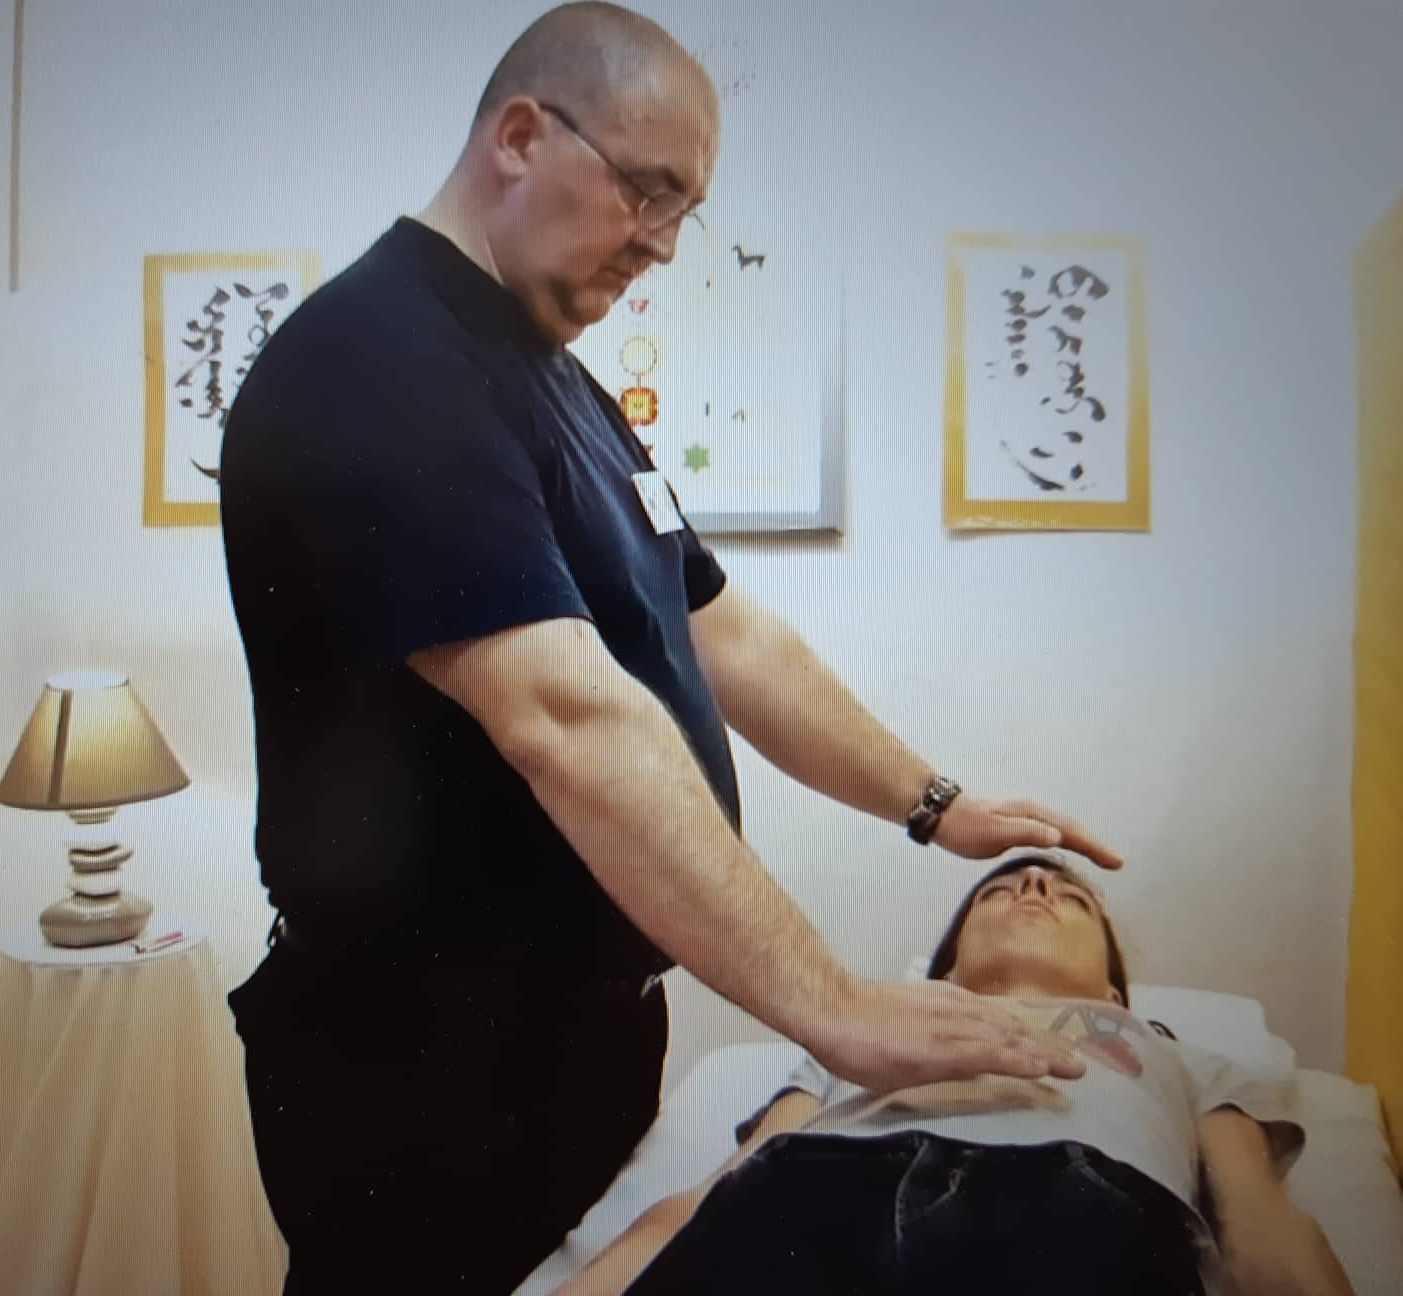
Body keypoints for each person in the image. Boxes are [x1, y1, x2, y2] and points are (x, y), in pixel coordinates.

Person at [218, 3, 1122, 1291]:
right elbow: (564, 716)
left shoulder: (556, 378)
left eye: (684, 211)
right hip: (421, 1068)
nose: (661, 244)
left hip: (573, 1043)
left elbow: (719, 630)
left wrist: (934, 805)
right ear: (519, 137)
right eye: (646, 192)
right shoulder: (384, 362)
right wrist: (832, 1003)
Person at [556, 856, 1354, 1296]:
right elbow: (721, 1188)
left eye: (1072, 898)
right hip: (813, 1189)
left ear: (1115, 997)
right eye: (999, 890)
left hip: (1082, 1212)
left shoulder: (1175, 1054)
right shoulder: (857, 1032)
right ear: (944, 973)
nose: (1034, 885)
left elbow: (1256, 1216)